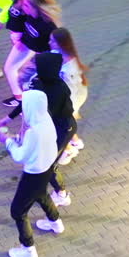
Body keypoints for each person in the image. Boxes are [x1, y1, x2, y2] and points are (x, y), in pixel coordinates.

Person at [0, 89, 64, 257]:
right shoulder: (46, 120)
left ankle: (28, 249)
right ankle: (55, 222)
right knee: (42, 195)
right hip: (46, 169)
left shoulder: (33, 132)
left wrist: (8, 141)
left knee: (18, 211)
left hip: (33, 174)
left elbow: (20, 156)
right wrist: (16, 139)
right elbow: (34, 145)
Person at [6, 52, 76, 205]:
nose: (35, 68)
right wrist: (9, 117)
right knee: (45, 160)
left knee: (49, 164)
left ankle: (62, 194)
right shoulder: (38, 81)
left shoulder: (58, 89)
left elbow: (44, 114)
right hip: (52, 127)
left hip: (63, 129)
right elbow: (27, 100)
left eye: (38, 66)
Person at [0, 0, 62, 107]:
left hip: (38, 52)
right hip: (26, 43)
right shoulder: (28, 12)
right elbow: (20, 24)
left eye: (26, 6)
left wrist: (41, 59)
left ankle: (25, 102)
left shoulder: (47, 25)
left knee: (23, 77)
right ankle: (22, 100)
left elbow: (54, 47)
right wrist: (18, 37)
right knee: (17, 73)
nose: (23, 8)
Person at [50, 27, 89, 164]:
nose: (49, 43)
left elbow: (68, 92)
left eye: (52, 41)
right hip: (73, 94)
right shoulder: (59, 54)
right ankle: (76, 141)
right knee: (65, 122)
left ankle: (67, 150)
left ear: (60, 44)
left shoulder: (69, 69)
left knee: (58, 125)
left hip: (72, 97)